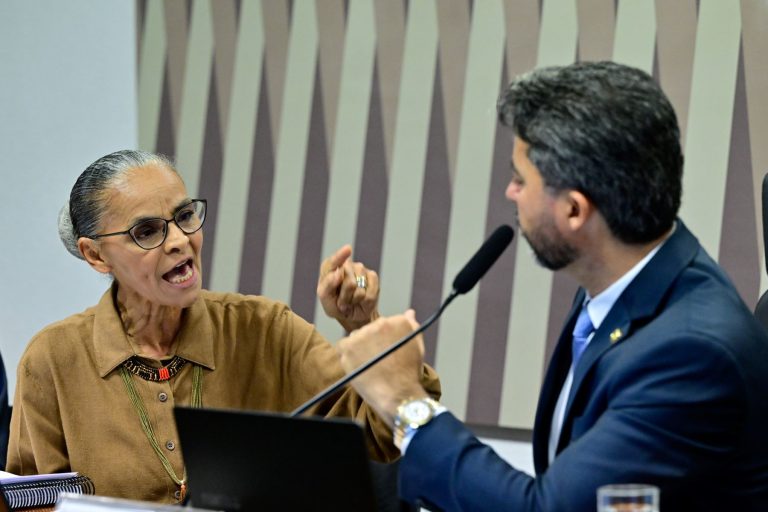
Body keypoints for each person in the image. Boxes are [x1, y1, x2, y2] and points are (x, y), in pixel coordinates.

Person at [336, 61, 768, 511]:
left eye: (521, 179)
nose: (510, 192)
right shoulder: (620, 285)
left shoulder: (691, 353)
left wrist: (407, 404)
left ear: (575, 211)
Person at [6, 149, 440, 503]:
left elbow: (387, 435)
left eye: (184, 216)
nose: (179, 240)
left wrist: (362, 327)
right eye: (147, 231)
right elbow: (29, 501)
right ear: (96, 255)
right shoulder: (52, 360)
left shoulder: (266, 330)